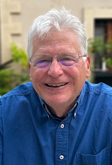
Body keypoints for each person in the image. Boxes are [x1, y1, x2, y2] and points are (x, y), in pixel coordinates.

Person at [0, 7, 112, 165]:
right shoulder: (3, 116)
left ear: (87, 66)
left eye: (67, 58)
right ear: (31, 69)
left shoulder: (109, 110)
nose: (54, 71)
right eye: (42, 60)